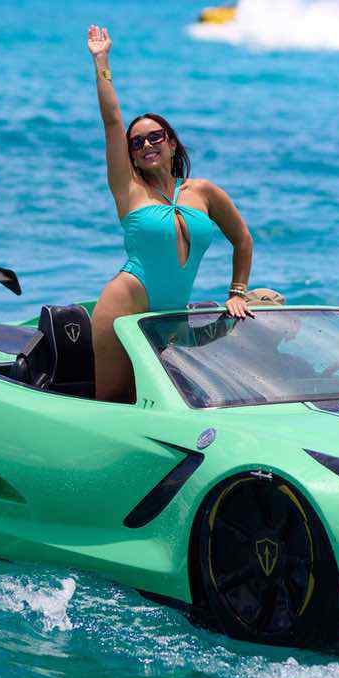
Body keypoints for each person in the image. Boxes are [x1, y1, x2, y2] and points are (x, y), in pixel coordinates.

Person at [87, 23, 254, 403]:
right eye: (136, 143)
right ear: (131, 155)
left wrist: (238, 292)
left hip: (173, 317)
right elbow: (112, 121)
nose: (146, 144)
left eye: (155, 137)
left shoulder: (204, 192)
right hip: (123, 306)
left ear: (172, 143)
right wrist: (102, 62)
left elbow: (243, 241)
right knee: (114, 400)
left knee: (166, 402)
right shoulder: (129, 188)